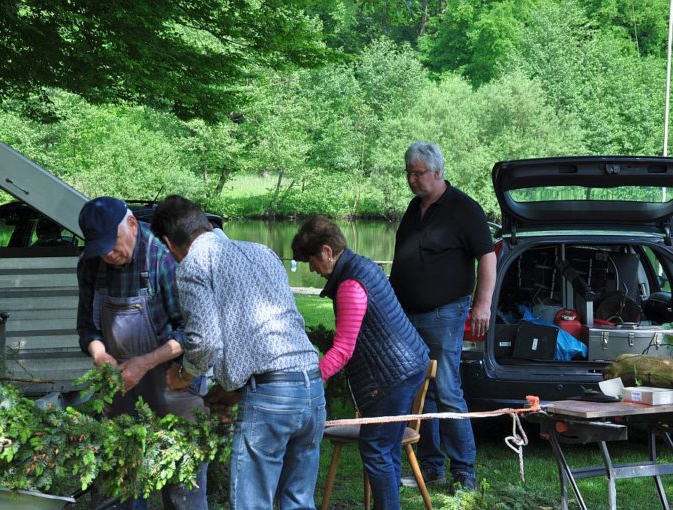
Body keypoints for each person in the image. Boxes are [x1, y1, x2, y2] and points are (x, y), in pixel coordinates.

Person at [151, 195, 325, 510]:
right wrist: (232, 388)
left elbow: (204, 342)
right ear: (205, 225)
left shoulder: (193, 265)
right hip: (311, 385)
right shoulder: (262, 252)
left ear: (168, 242)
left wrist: (182, 375)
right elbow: (264, 333)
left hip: (272, 399)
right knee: (298, 501)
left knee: (252, 503)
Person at [76, 196, 208, 510]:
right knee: (116, 483)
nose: (108, 253)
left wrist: (145, 362)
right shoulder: (91, 263)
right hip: (122, 385)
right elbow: (86, 327)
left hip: (173, 382)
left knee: (182, 486)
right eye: (100, 248)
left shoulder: (164, 258)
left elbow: (192, 333)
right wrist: (99, 355)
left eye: (113, 243)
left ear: (132, 225)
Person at [291, 215, 430, 510]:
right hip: (408, 366)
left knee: (377, 449)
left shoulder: (351, 284)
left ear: (327, 251)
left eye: (311, 261)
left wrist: (310, 382)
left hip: (392, 376)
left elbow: (342, 350)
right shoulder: (363, 265)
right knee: (386, 449)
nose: (312, 269)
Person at [389, 141, 496, 491]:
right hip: (407, 315)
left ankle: (465, 474)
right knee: (422, 392)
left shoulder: (464, 208)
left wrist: (482, 305)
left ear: (437, 172)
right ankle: (432, 467)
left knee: (448, 390)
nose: (411, 179)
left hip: (445, 313)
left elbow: (487, 258)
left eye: (418, 173)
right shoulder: (413, 208)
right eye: (408, 173)